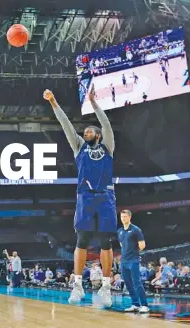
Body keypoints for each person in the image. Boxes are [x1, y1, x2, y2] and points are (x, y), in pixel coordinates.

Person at [44, 85, 116, 307]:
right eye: (84, 131)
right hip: (85, 196)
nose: (86, 132)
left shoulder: (108, 146)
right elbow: (66, 125)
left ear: (99, 135)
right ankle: (77, 286)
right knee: (82, 240)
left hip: (105, 196)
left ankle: (106, 288)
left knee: (106, 241)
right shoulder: (78, 147)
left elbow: (106, 123)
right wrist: (53, 102)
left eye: (90, 131)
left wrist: (93, 103)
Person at [118, 209, 149, 313]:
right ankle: (135, 304)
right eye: (122, 217)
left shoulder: (136, 230)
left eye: (125, 217)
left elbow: (142, 245)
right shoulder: (120, 231)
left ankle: (144, 305)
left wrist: (133, 252)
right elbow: (122, 245)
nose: (123, 218)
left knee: (137, 282)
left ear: (130, 217)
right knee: (128, 283)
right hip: (124, 261)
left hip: (133, 260)